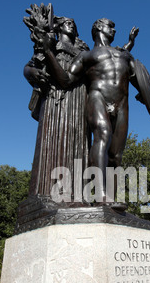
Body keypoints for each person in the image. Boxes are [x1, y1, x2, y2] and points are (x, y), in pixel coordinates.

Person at [44, 18, 141, 204]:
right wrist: (48, 52)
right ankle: (100, 193)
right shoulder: (86, 56)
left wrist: (143, 96)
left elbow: (138, 79)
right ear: (98, 27)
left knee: (116, 155)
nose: (113, 29)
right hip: (98, 98)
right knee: (102, 137)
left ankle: (112, 198)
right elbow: (66, 80)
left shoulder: (124, 55)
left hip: (122, 103)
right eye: (109, 26)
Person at [24, 13, 90, 199]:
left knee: (78, 143)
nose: (70, 25)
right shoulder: (50, 44)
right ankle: (46, 193)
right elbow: (29, 66)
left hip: (78, 99)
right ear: (59, 26)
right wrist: (33, 73)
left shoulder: (83, 49)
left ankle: (78, 195)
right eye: (67, 23)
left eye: (73, 23)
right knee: (51, 140)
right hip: (54, 98)